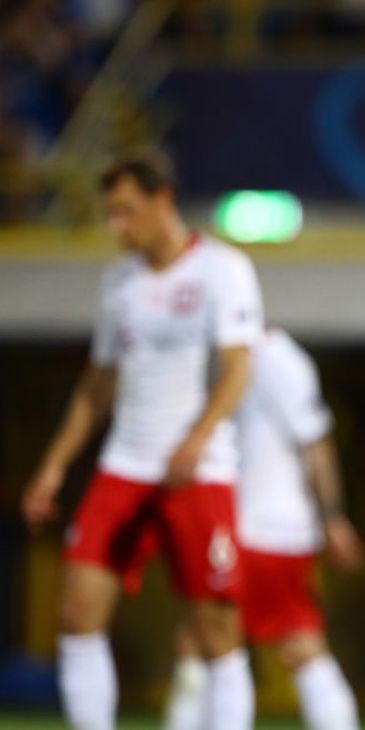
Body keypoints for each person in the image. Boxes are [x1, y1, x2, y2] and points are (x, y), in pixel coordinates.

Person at [20, 151, 262, 730]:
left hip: (197, 471)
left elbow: (237, 369)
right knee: (77, 611)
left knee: (214, 631)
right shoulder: (120, 281)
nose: (116, 226)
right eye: (111, 214)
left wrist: (196, 441)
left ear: (162, 201)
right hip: (124, 462)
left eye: (125, 212)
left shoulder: (221, 269)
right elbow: (98, 385)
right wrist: (53, 468)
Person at [162, 327, 365, 730]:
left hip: (260, 529)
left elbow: (316, 443)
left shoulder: (276, 358)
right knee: (291, 641)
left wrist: (333, 518)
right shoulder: (227, 357)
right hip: (255, 527)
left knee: (207, 641)